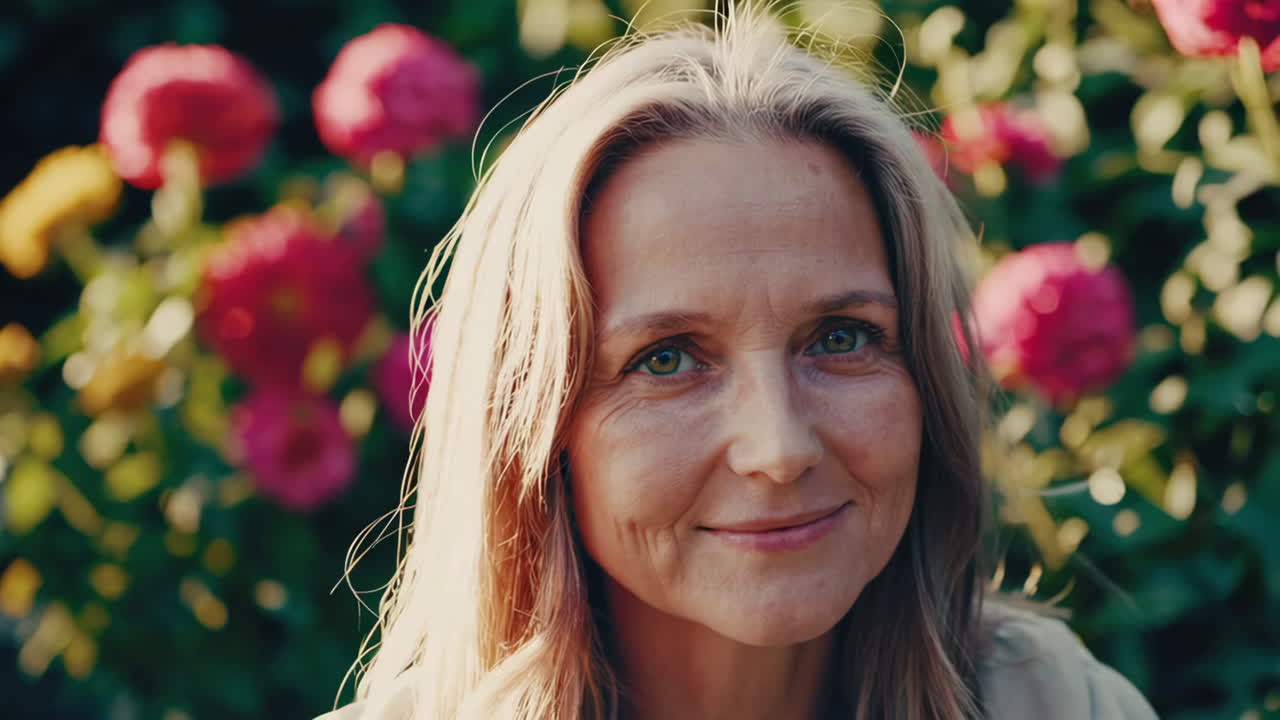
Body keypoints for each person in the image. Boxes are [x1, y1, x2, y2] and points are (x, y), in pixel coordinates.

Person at [319, 5, 1159, 719]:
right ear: (535, 428)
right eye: (666, 359)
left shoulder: (1057, 702)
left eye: (841, 337)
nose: (780, 448)